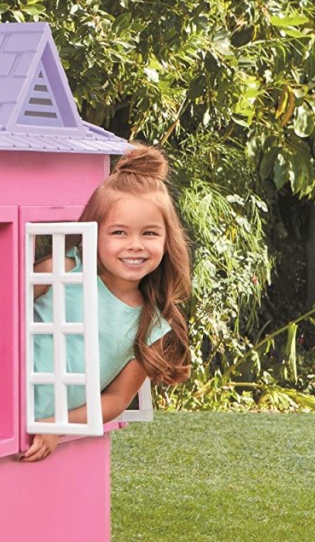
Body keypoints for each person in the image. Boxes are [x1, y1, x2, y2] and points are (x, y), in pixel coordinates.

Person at [22, 143, 191, 462]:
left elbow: (115, 399)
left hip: (44, 433)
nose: (136, 245)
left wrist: (57, 426)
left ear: (168, 239)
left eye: (150, 233)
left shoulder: (152, 324)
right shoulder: (63, 270)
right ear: (93, 233)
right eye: (119, 232)